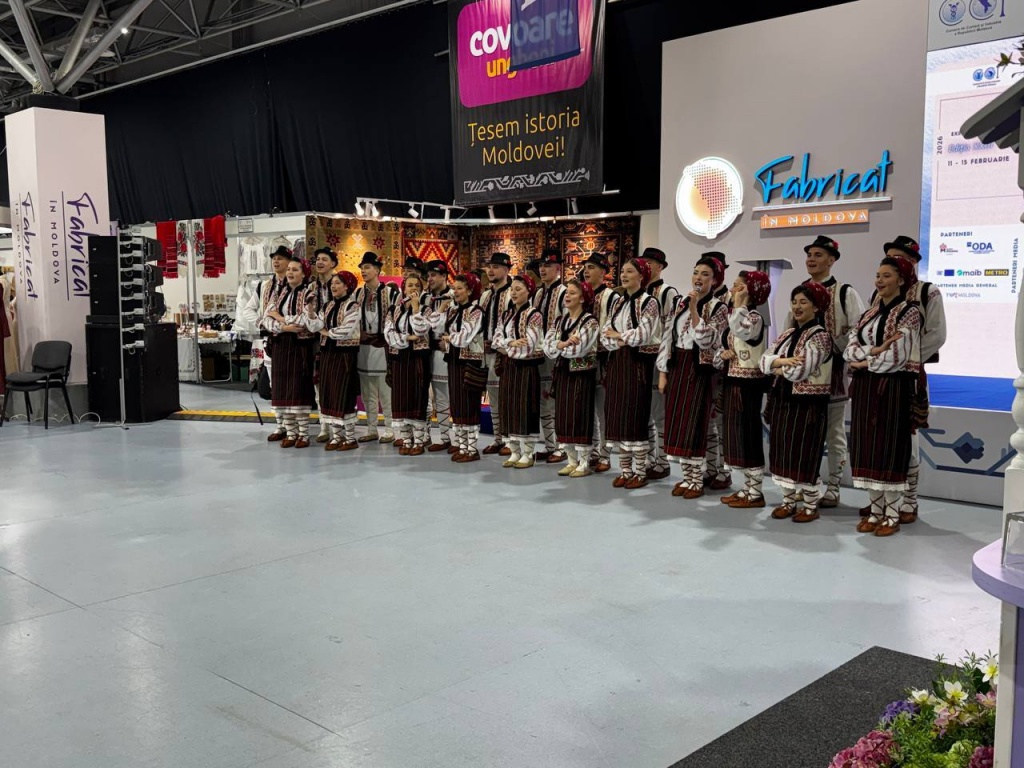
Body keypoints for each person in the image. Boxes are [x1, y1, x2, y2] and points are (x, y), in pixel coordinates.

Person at [845, 256, 922, 537]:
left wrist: (864, 361)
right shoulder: (869, 314)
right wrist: (874, 352)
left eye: (887, 275)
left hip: (893, 388)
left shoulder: (909, 312)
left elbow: (897, 356)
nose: (879, 280)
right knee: (867, 447)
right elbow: (849, 350)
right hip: (865, 389)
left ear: (901, 280)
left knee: (889, 448)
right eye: (878, 275)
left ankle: (892, 514)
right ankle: (875, 511)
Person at [873, 235, 946, 525]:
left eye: (900, 258)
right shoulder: (879, 292)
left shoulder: (928, 292)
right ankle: (881, 500)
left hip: (910, 375)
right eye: (890, 257)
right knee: (882, 437)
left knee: (908, 437)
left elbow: (937, 334)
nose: (894, 262)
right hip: (880, 375)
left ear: (913, 262)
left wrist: (906, 359)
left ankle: (909, 500)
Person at [798, 235, 864, 508]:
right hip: (804, 375)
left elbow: (860, 329)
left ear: (832, 260)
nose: (811, 259)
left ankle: (834, 486)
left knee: (834, 432)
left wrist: (833, 346)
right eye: (809, 255)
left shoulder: (845, 292)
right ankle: (808, 482)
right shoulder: (801, 291)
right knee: (806, 431)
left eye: (818, 255)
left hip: (834, 374)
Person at [760, 282, 834, 522]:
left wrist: (777, 365)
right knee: (783, 451)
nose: (797, 307)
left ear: (816, 307)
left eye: (803, 302)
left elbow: (799, 371)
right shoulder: (788, 334)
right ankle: (788, 502)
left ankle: (810, 505)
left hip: (808, 403)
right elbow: (763, 361)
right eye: (794, 302)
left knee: (804, 453)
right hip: (783, 398)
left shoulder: (820, 336)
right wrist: (782, 362)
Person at [657, 255, 729, 499]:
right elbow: (669, 336)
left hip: (700, 369)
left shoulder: (718, 307)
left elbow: (706, 339)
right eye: (696, 272)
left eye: (705, 274)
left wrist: (695, 309)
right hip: (679, 365)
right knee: (678, 423)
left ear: (715, 280)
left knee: (695, 424)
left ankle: (697, 479)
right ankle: (688, 477)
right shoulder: (681, 302)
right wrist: (663, 372)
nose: (698, 278)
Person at [601, 258, 660, 489]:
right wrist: (621, 339)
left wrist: (619, 336)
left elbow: (643, 335)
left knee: (635, 417)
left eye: (630, 272)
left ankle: (640, 471)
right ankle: (625, 470)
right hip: (617, 362)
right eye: (623, 271)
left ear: (641, 276)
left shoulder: (649, 302)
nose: (624, 275)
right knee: (618, 417)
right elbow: (605, 334)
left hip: (637, 365)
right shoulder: (618, 302)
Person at [716, 270, 771, 508]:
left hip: (748, 385)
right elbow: (729, 341)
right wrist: (723, 354)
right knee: (737, 435)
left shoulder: (754, 317)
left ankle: (755, 492)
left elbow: (742, 330)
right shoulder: (737, 316)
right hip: (734, 381)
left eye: (737, 285)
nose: (732, 289)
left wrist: (739, 304)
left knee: (749, 435)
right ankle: (747, 488)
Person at [260, 255, 323, 448]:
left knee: (299, 389)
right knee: (282, 390)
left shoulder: (309, 294)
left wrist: (280, 318)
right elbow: (266, 319)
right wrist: (284, 326)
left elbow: (304, 321)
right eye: (289, 269)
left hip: (300, 347)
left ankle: (303, 434)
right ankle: (291, 432)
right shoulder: (278, 293)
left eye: (295, 270)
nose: (290, 272)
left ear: (304, 274)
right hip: (280, 346)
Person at [543, 279, 601, 477]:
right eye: (567, 292)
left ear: (583, 298)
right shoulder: (560, 321)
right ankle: (571, 460)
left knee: (580, 415)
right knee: (563, 415)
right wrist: (563, 344)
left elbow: (579, 349)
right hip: (563, 372)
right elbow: (547, 347)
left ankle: (584, 462)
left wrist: (560, 346)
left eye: (573, 293)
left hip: (582, 373)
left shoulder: (590, 322)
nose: (567, 296)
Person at [493, 274, 546, 468]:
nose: (514, 293)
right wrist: (511, 342)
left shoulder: (534, 315)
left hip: (526, 368)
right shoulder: (506, 315)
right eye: (512, 289)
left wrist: (506, 346)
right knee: (508, 406)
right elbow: (496, 340)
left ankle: (528, 452)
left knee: (525, 407)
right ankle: (514, 451)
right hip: (509, 367)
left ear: (528, 291)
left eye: (518, 289)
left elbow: (528, 346)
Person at [241, 244, 291, 441]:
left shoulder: (295, 283)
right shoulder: (264, 286)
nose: (276, 261)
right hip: (270, 339)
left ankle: (294, 426)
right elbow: (248, 309)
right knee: (274, 382)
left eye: (281, 258)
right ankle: (280, 425)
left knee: (291, 382)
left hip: (292, 338)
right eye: (274, 258)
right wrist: (262, 321)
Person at [438, 273, 487, 461]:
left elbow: (464, 337)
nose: (455, 292)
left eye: (460, 288)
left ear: (469, 290)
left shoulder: (476, 312)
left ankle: (471, 449)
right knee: (457, 404)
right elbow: (438, 328)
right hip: (454, 360)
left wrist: (449, 338)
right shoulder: (452, 310)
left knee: (469, 404)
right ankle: (462, 445)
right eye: (454, 288)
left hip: (470, 362)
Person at [384, 274, 433, 456]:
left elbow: (421, 329)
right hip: (399, 359)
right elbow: (388, 334)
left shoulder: (426, 310)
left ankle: (419, 440)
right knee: (401, 399)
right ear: (403, 289)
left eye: (417, 286)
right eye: (410, 285)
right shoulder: (394, 310)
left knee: (417, 398)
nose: (413, 288)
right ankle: (406, 439)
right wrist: (406, 338)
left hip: (418, 359)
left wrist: (415, 308)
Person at [355, 252, 400, 443]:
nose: (363, 271)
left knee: (386, 391)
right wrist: (358, 333)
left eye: (367, 267)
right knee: (368, 393)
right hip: (364, 348)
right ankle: (371, 428)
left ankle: (390, 429)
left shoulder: (392, 293)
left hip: (383, 348)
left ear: (377, 270)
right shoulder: (357, 293)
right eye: (362, 268)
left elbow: (398, 319)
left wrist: (387, 337)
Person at [582, 252, 620, 473]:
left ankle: (605, 454)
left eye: (592, 267)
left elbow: (614, 326)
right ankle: (593, 451)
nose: (587, 271)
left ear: (603, 272)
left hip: (604, 357)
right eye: (586, 267)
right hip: (583, 357)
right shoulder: (581, 294)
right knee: (586, 408)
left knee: (603, 409)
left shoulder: (610, 296)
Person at [642, 247, 676, 482]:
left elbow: (670, 329)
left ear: (660, 266)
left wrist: (665, 361)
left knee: (659, 413)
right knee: (643, 413)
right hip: (640, 359)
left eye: (650, 262)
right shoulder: (639, 292)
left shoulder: (667, 292)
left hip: (658, 359)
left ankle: (662, 461)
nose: (646, 266)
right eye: (644, 262)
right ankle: (647, 460)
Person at [317, 271, 361, 451]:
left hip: (345, 355)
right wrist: (311, 314)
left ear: (347, 286)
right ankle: (337, 436)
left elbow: (346, 330)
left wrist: (327, 332)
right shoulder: (327, 305)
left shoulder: (353, 306)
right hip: (328, 354)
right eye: (332, 283)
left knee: (344, 394)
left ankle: (350, 438)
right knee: (330, 394)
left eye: (337, 283)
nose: (333, 286)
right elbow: (316, 324)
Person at [533, 248, 567, 462]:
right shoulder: (539, 293)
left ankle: (561, 447)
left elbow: (567, 322)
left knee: (555, 400)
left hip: (556, 353)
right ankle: (549, 444)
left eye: (547, 266)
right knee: (543, 400)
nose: (543, 269)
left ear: (558, 268)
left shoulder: (564, 292)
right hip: (540, 353)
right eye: (541, 266)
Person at [479, 252, 514, 456]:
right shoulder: (486, 295)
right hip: (487, 353)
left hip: (506, 353)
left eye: (496, 267)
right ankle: (498, 438)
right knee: (493, 397)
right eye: (489, 267)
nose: (491, 271)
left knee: (507, 397)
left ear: (507, 270)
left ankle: (510, 439)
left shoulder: (512, 293)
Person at [703, 251, 733, 491]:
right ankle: (710, 467)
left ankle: (724, 470)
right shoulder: (701, 298)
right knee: (707, 420)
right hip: (703, 366)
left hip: (723, 367)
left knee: (721, 421)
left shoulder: (730, 299)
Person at [422, 260, 455, 452]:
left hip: (445, 352)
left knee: (445, 397)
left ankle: (448, 438)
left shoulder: (453, 297)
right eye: (428, 276)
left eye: (434, 275)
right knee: (427, 397)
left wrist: (449, 342)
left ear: (444, 276)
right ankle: (428, 435)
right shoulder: (426, 298)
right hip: (426, 352)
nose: (430, 279)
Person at [310, 247, 339, 443]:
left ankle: (337, 426)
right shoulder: (311, 287)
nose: (320, 262)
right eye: (317, 259)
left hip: (336, 340)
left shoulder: (340, 284)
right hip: (316, 340)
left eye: (324, 259)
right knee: (318, 384)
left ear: (333, 263)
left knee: (335, 383)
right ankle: (323, 426)